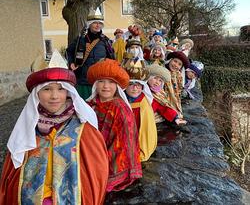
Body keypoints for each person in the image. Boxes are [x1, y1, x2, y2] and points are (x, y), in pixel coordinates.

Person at [0, 50, 109, 205]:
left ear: (68, 91)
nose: (54, 96)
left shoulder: (83, 130)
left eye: (60, 89)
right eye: (47, 89)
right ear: (36, 93)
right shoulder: (27, 128)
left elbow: (96, 173)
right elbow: (13, 177)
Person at [86, 59, 142, 192]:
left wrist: (101, 160)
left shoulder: (120, 109)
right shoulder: (89, 105)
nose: (106, 86)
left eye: (111, 82)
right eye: (101, 81)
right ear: (95, 85)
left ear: (117, 86)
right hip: (92, 152)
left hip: (113, 157)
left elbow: (123, 143)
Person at [66, 7, 114, 100]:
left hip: (99, 80)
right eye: (95, 23)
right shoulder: (80, 40)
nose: (98, 25)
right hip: (83, 81)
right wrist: (71, 63)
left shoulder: (105, 41)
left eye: (100, 23)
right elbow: (69, 52)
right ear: (89, 24)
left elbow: (112, 60)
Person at [124, 62, 157, 162]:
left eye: (138, 85)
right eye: (131, 85)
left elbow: (146, 127)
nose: (135, 88)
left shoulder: (143, 103)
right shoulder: (121, 100)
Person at [165, 51, 190, 118]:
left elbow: (179, 89)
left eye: (179, 64)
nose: (176, 65)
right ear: (170, 60)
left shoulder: (178, 75)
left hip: (173, 99)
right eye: (175, 61)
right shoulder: (162, 71)